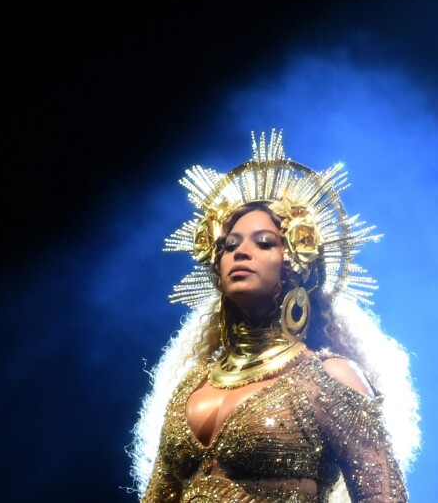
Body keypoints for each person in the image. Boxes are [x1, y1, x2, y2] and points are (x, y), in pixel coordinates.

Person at [128, 129, 421, 502]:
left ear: (297, 267)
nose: (240, 252)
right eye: (229, 245)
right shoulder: (192, 387)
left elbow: (384, 498)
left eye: (264, 243)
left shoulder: (328, 379)